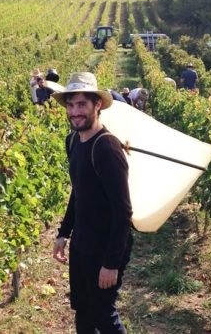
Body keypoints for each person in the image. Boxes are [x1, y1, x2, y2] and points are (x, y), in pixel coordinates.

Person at [52, 72, 133, 334]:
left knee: (103, 314)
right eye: (70, 105)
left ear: (97, 105)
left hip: (105, 245)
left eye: (82, 105)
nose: (75, 112)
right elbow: (79, 191)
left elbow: (123, 212)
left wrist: (111, 263)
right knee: (83, 309)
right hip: (82, 242)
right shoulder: (73, 140)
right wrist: (64, 233)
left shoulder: (106, 148)